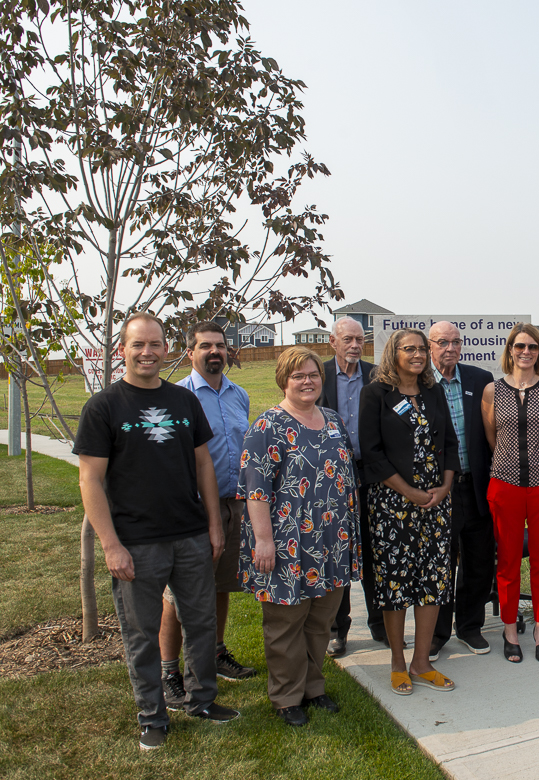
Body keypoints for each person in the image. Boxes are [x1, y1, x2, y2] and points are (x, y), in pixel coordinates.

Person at [74, 312, 239, 752]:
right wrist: (111, 545)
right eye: (138, 345)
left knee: (201, 623)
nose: (147, 352)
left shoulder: (184, 401)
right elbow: (90, 480)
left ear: (167, 349)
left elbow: (203, 464)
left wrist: (213, 524)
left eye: (154, 344)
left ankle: (203, 700)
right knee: (142, 634)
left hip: (190, 535)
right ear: (122, 351)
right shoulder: (104, 407)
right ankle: (152, 716)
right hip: (136, 542)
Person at [237, 347, 360, 726]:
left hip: (331, 541)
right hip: (287, 543)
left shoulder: (333, 420)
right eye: (298, 376)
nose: (308, 382)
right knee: (285, 623)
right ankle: (286, 696)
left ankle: (313, 687)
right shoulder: (267, 427)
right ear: (283, 381)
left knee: (320, 621)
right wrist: (264, 540)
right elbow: (255, 490)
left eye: (313, 375)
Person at [159, 322, 256, 712]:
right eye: (205, 346)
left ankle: (215, 653)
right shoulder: (178, 397)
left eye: (220, 345)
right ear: (190, 352)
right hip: (195, 509)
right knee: (178, 595)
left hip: (234, 504)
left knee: (221, 584)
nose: (214, 352)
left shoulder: (239, 394)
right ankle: (169, 671)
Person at [359, 329, 460, 695]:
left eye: (421, 349)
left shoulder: (433, 393)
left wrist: (444, 487)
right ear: (394, 353)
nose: (417, 355)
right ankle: (398, 663)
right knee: (396, 580)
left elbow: (450, 443)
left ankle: (421, 662)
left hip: (435, 503)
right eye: (409, 349)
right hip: (392, 504)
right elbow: (371, 453)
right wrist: (409, 492)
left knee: (433, 579)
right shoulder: (376, 394)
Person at [481, 323, 539, 664]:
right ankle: (509, 630)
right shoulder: (492, 391)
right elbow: (492, 438)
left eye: (532, 346)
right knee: (508, 559)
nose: (526, 352)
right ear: (510, 350)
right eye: (520, 346)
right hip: (505, 483)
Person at [426, 321, 496, 661]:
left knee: (479, 562)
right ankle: (437, 634)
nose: (450, 348)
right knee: (441, 563)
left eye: (455, 341)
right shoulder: (420, 383)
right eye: (442, 342)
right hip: (440, 491)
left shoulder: (480, 380)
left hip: (477, 486)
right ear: (430, 346)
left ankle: (469, 626)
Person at [317, 317, 383, 655]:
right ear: (333, 342)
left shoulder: (377, 375)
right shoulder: (319, 375)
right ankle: (336, 629)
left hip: (372, 474)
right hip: (332, 477)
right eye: (348, 339)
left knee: (375, 550)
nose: (355, 345)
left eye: (360, 339)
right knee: (337, 551)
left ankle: (380, 625)